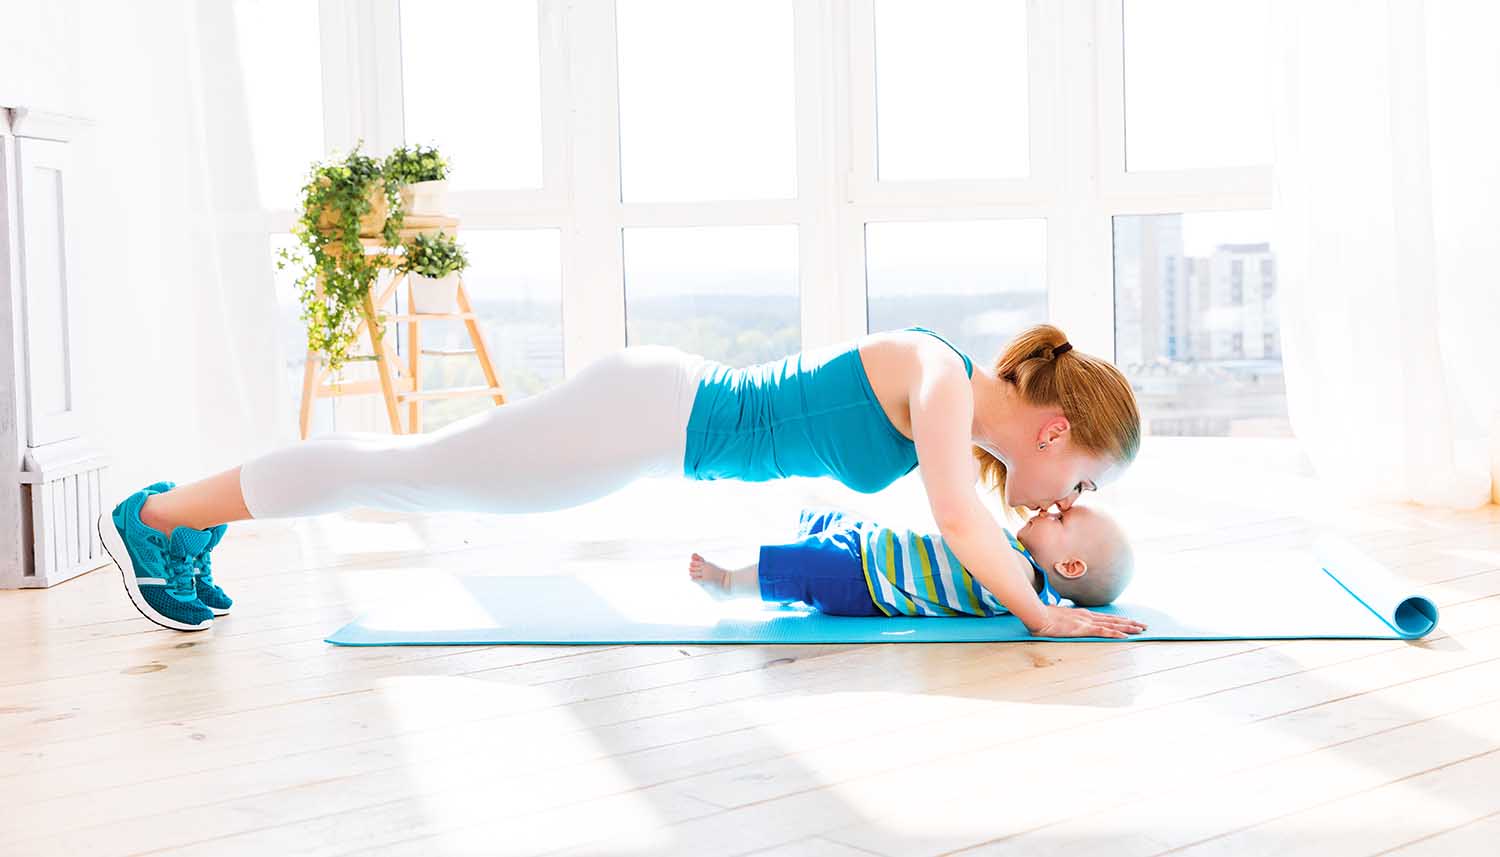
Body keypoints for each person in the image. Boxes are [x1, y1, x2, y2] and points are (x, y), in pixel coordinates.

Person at [98, 323, 1145, 639]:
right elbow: (958, 515)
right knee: (406, 475)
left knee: (413, 476)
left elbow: (976, 511)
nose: (1067, 501)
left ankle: (184, 518)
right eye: (1081, 479)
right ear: (1056, 427)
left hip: (651, 420)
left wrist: (1039, 572)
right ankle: (159, 515)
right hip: (645, 418)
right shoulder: (943, 380)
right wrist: (1042, 617)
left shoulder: (951, 389)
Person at [688, 504, 1136, 633]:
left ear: (1070, 565)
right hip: (873, 546)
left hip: (866, 581)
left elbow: (966, 517)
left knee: (804, 566)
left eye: (1059, 520)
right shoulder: (1021, 568)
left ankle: (729, 583)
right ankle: (804, 540)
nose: (1048, 511)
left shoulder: (1018, 579)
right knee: (824, 519)